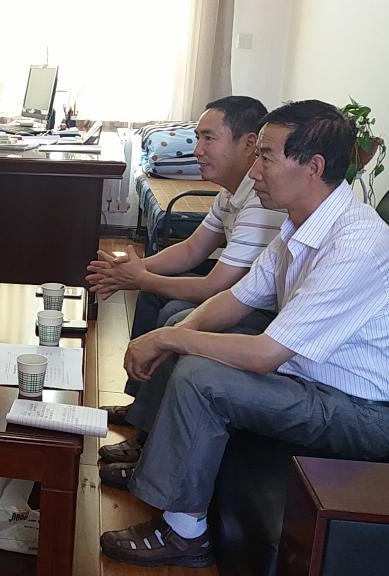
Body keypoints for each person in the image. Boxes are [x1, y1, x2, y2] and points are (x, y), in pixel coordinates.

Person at [98, 100, 389, 568]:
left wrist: (169, 341)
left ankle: (186, 534)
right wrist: (178, 331)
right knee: (181, 324)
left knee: (201, 376)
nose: (254, 171)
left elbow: (265, 355)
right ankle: (155, 456)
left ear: (313, 167)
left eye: (267, 157)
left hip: (369, 414)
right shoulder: (299, 224)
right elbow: (236, 299)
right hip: (315, 378)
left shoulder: (356, 246)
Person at [87, 96, 286, 463]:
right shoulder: (233, 191)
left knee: (174, 312)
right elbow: (193, 249)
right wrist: (139, 270)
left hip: (264, 315)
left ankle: (148, 437)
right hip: (240, 297)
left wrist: (139, 278)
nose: (197, 150)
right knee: (157, 297)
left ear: (248, 144)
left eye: (209, 138)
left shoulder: (262, 205)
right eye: (197, 138)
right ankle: (142, 406)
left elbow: (215, 286)